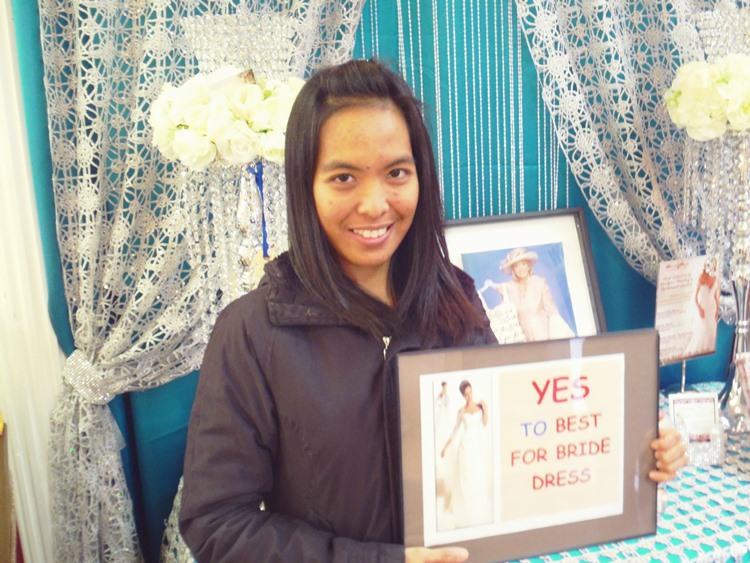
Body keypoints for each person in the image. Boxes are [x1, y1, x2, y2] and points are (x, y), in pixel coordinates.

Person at [179, 59, 688, 563]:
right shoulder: (252, 333)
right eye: (344, 177)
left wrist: (622, 453)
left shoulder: (456, 297)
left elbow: (510, 444)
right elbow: (217, 524)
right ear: (304, 185)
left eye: (396, 173)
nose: (375, 204)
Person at [485, 248, 574, 342]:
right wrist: (492, 285)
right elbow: (505, 313)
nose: (521, 269)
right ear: (513, 270)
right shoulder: (508, 287)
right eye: (516, 266)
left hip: (544, 336)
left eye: (523, 264)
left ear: (528, 265)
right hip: (522, 339)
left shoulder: (540, 283)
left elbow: (552, 312)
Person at [440, 381, 492, 529]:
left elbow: (485, 423)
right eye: (466, 394)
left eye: (470, 392)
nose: (469, 395)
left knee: (476, 476)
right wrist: (444, 447)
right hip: (464, 446)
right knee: (465, 478)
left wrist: (485, 408)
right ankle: (466, 511)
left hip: (475, 446)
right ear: (463, 395)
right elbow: (455, 431)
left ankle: (478, 511)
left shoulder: (479, 407)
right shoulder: (461, 411)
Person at [683, 257, 720, 357]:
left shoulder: (716, 278)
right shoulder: (701, 278)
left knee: (712, 329)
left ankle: (709, 354)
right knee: (703, 329)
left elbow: (715, 297)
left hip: (712, 307)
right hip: (703, 308)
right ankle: (700, 352)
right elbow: (695, 298)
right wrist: (699, 309)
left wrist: (717, 309)